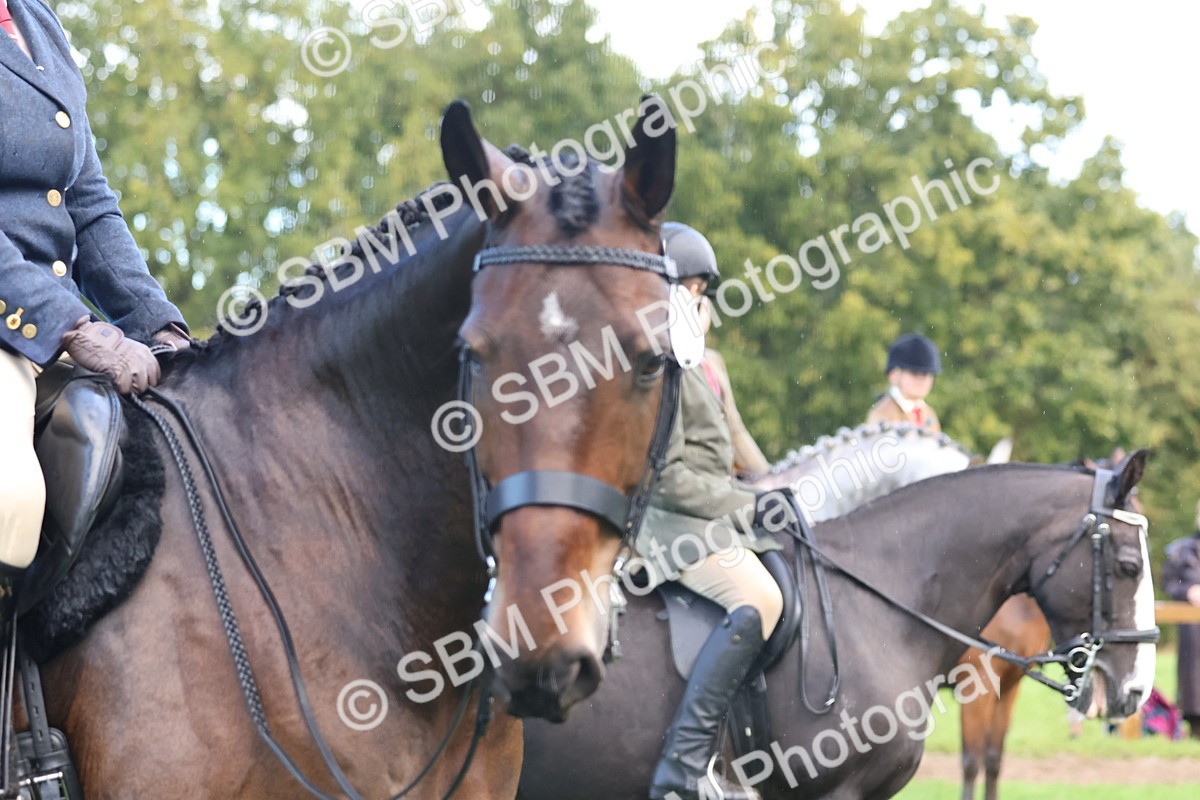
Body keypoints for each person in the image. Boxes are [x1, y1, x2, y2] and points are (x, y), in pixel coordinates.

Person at [1, 0, 189, 627]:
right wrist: (73, 327)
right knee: (11, 499)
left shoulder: (35, 18)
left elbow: (88, 202)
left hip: (53, 336)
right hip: (20, 326)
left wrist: (156, 327)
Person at [637, 222, 785, 800]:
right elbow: (668, 478)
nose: (700, 306)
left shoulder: (709, 364)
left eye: (702, 292)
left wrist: (782, 487)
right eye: (689, 292)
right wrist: (749, 502)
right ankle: (686, 766)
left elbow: (738, 440)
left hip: (716, 513)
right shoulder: (656, 368)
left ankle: (746, 753)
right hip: (668, 525)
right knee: (762, 598)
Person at [1163, 500, 1200, 740]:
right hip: (1192, 631)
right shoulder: (1181, 550)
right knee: (1192, 676)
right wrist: (1187, 591)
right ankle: (1194, 725)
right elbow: (1167, 582)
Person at [866, 332, 942, 432]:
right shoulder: (881, 415)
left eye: (926, 374)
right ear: (894, 375)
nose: (921, 380)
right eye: (914, 372)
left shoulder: (929, 414)